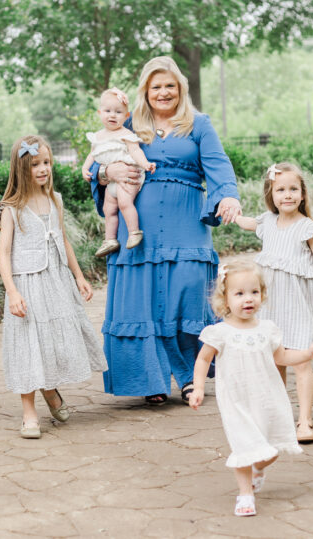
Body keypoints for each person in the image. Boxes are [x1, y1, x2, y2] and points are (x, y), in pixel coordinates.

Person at [90, 55, 242, 404]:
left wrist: (228, 197)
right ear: (146, 90)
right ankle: (151, 382)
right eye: (156, 86)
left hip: (186, 221)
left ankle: (192, 376)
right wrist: (106, 174)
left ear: (180, 89)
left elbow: (218, 165)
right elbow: (98, 159)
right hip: (138, 225)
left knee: (189, 293)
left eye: (169, 86)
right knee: (141, 301)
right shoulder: (127, 124)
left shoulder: (198, 124)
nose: (163, 92)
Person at [189, 260, 313, 517]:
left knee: (271, 450)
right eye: (239, 294)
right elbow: (203, 359)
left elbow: (282, 357)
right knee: (243, 447)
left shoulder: (268, 329)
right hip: (236, 401)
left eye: (254, 292)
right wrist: (197, 388)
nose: (247, 299)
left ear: (262, 295)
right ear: (225, 299)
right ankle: (245, 494)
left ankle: (259, 470)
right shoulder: (220, 332)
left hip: (267, 398)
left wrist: (307, 353)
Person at [0, 135, 107, 438]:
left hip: (56, 281)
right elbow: (3, 254)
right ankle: (29, 412)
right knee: (28, 344)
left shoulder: (54, 199)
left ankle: (50, 389)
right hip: (27, 284)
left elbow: (64, 241)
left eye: (46, 162)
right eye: (35, 164)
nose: (43, 169)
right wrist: (12, 292)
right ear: (22, 169)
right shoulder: (12, 207)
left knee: (51, 341)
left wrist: (79, 276)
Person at [232, 162, 313, 443]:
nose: (287, 195)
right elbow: (248, 223)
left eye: (293, 189)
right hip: (271, 306)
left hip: (299, 305)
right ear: (271, 194)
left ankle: (305, 421)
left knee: (302, 360)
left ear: (303, 194)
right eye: (280, 189)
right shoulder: (267, 222)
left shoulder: (308, 228)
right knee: (275, 361)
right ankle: (281, 417)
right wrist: (232, 214)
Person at [81, 87, 156, 257]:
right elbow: (92, 155)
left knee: (124, 202)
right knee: (109, 209)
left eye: (118, 112)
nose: (112, 115)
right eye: (107, 111)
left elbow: (136, 152)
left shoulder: (126, 134)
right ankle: (110, 240)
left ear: (126, 116)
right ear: (100, 113)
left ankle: (134, 232)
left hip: (129, 177)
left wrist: (145, 164)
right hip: (112, 181)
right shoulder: (98, 136)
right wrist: (85, 168)